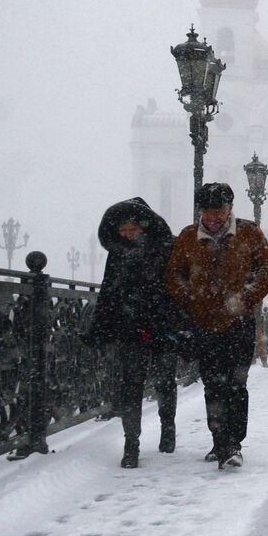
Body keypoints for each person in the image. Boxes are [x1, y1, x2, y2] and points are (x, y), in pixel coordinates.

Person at [164, 183, 268, 470]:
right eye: (208, 212)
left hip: (239, 322)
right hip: (205, 323)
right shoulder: (189, 237)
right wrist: (190, 297)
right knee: (213, 383)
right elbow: (174, 273)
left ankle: (233, 442)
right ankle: (220, 441)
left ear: (230, 210)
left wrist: (246, 296)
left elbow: (267, 268)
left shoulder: (248, 233)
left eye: (219, 212)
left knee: (237, 383)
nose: (213, 218)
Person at [83, 198, 182, 468]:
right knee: (131, 385)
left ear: (144, 228)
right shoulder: (117, 253)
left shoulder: (167, 248)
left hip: (162, 326)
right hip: (130, 328)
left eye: (132, 229)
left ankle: (168, 427)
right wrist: (99, 327)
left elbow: (178, 287)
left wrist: (178, 323)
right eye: (123, 230)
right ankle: (131, 443)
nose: (127, 234)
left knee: (164, 380)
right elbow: (109, 291)